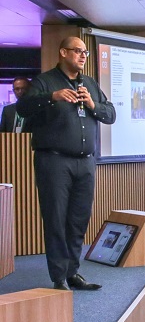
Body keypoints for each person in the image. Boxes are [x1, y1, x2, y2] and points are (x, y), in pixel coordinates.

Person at [16, 37, 116, 290]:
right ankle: (59, 277)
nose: (83, 56)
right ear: (63, 52)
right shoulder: (44, 82)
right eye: (78, 51)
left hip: (86, 163)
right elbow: (23, 108)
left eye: (85, 52)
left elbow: (110, 114)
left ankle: (73, 272)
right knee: (56, 219)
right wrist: (53, 97)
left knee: (78, 220)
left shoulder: (90, 83)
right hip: (54, 161)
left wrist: (92, 104)